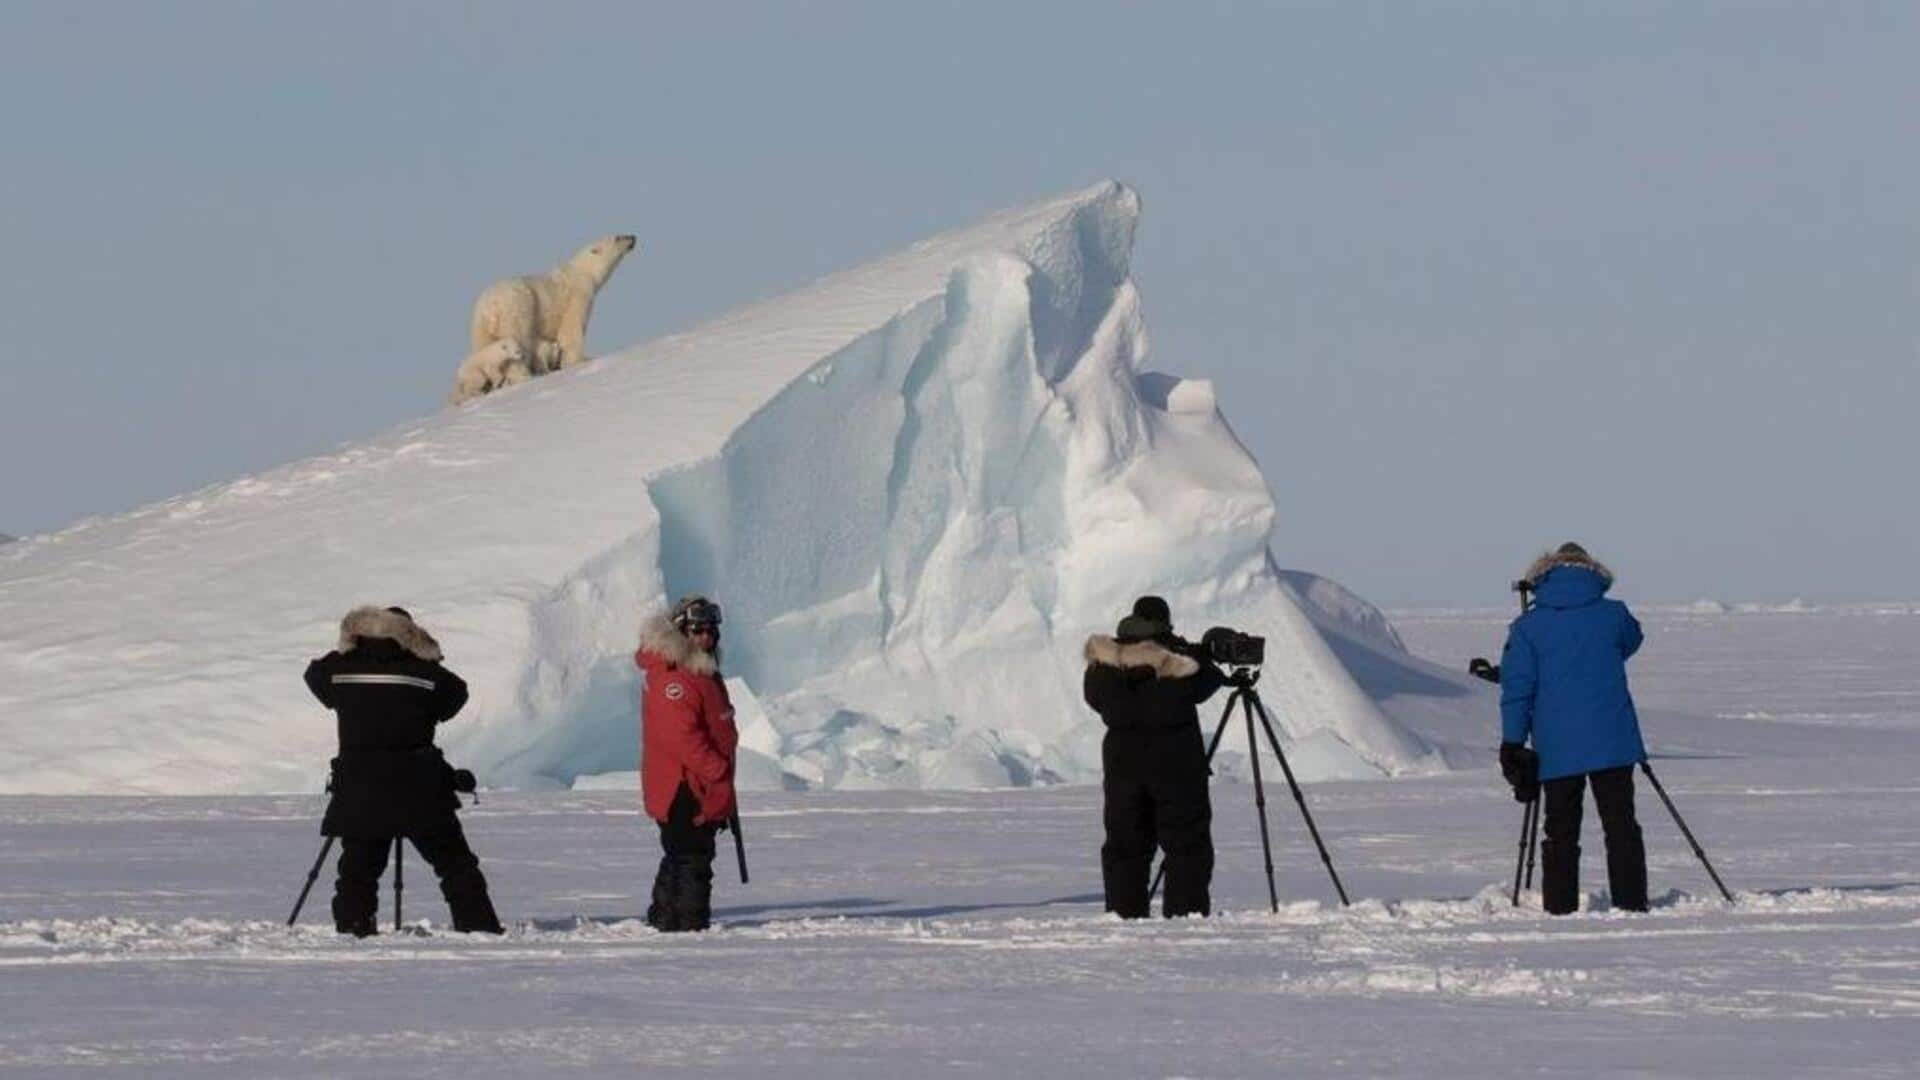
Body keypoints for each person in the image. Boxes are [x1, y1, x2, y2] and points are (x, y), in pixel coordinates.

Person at [303, 606, 503, 936]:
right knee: (454, 864)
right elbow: (455, 696)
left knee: (358, 869)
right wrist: (426, 654)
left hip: (359, 787)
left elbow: (314, 675)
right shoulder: (424, 675)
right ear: (409, 635)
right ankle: (478, 927)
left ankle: (354, 930)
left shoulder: (339, 670)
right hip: (421, 788)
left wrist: (348, 650)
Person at [1498, 543, 1649, 915]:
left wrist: (1512, 742)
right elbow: (1631, 642)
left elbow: (1518, 689)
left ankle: (1560, 907)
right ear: (1592, 572)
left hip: (1556, 743)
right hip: (1612, 737)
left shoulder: (1529, 626)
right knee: (1621, 825)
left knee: (1561, 828)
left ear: (1541, 578)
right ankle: (1631, 903)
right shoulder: (1615, 615)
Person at [1083, 596, 1228, 918]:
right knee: (1186, 844)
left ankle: (1123, 918)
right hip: (1175, 763)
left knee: (1125, 846)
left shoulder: (1103, 665)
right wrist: (1202, 654)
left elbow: (1094, 698)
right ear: (1164, 623)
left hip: (1122, 765)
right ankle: (1184, 919)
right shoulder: (1177, 663)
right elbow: (1207, 682)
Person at [635, 594, 738, 932]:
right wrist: (717, 769)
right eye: (697, 630)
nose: (705, 637)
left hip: (696, 784)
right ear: (681, 633)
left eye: (710, 630)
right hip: (684, 786)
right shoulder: (675, 679)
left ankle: (666, 918)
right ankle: (688, 925)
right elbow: (681, 738)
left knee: (681, 854)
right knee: (692, 857)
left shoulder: (696, 671)